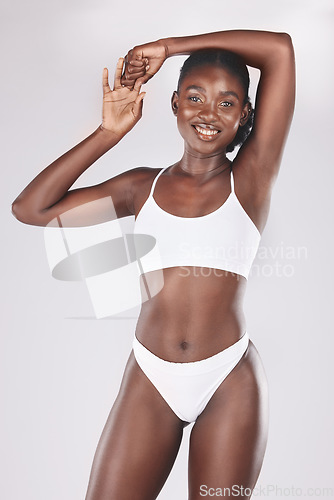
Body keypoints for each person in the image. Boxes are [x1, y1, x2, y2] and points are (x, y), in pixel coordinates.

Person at [11, 29, 295, 500]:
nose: (208, 113)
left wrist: (167, 47)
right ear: (174, 104)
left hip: (228, 381)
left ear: (246, 113)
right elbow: (31, 209)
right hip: (151, 377)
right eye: (196, 96)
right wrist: (108, 134)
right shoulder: (139, 188)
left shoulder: (250, 177)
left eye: (227, 103)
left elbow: (279, 50)